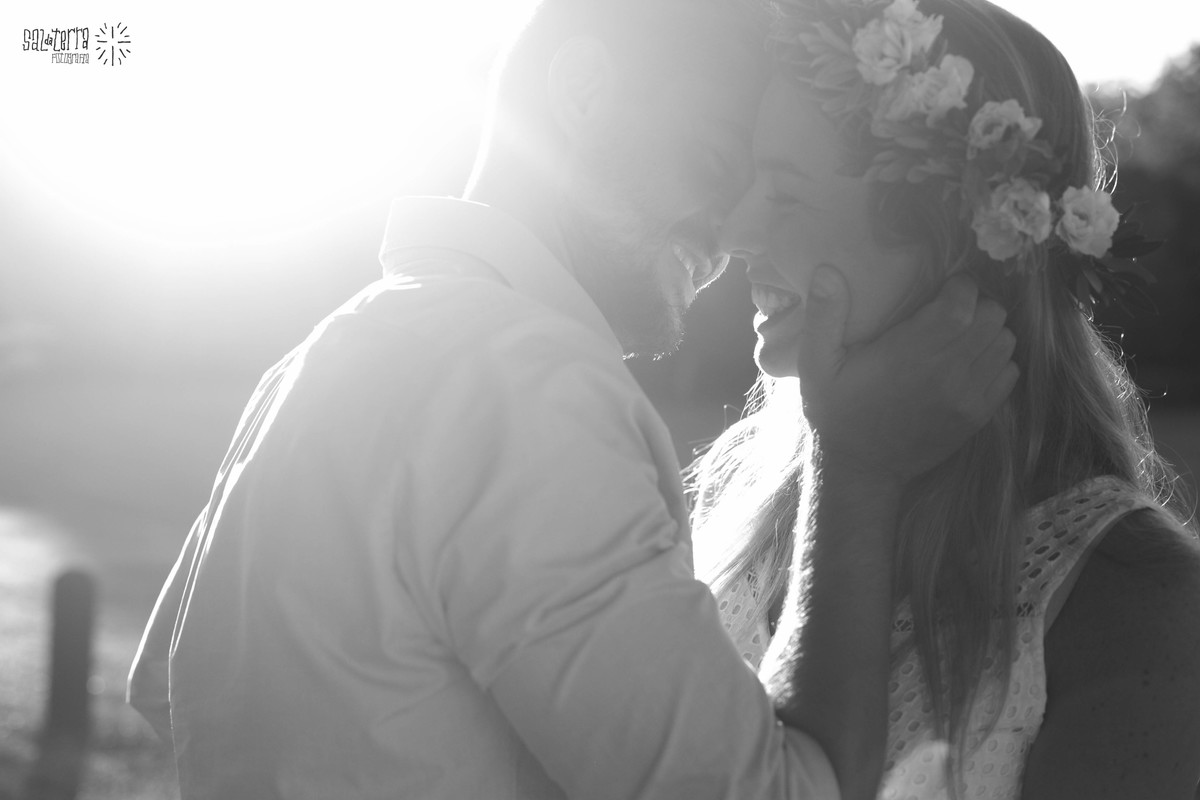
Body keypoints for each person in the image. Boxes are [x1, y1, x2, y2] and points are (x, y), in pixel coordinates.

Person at [127, 1, 1017, 798]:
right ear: (583, 89)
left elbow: (168, 689)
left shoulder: (327, 353)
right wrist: (855, 468)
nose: (734, 229)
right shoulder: (527, 381)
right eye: (713, 161)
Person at [692, 0, 1200, 798]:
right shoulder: (739, 513)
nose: (735, 231)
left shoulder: (1135, 604)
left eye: (785, 195)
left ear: (952, 237)